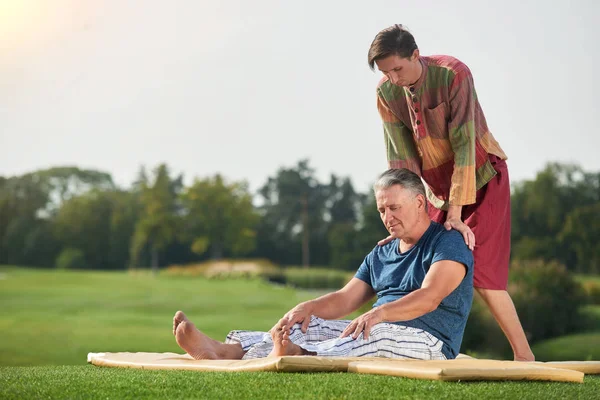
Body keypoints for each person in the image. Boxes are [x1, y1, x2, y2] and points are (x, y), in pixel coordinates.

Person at [173, 168, 474, 361]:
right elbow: (346, 298)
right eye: (381, 209)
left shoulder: (448, 243)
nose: (387, 217)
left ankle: (295, 355)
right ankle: (225, 351)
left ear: (420, 203)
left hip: (430, 342)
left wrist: (380, 314)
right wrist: (309, 307)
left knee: (375, 336)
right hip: (377, 326)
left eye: (394, 207)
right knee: (309, 325)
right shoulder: (382, 252)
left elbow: (431, 296)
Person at [367, 24, 534, 361]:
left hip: (483, 176)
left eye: (398, 68)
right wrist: (405, 223)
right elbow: (402, 160)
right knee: (424, 259)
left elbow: (464, 145)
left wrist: (456, 215)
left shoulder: (453, 74)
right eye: (387, 72)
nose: (394, 78)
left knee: (480, 269)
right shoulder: (387, 92)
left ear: (416, 55)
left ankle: (524, 356)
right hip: (436, 191)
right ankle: (421, 347)